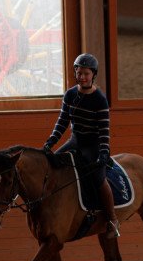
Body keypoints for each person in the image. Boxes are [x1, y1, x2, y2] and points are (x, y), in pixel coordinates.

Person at [43, 53, 120, 238]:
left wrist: (103, 152)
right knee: (52, 163)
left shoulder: (99, 99)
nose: (82, 77)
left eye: (86, 73)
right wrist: (50, 143)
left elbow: (103, 131)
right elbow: (62, 122)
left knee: (97, 177)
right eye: (79, 73)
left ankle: (112, 220)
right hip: (75, 140)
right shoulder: (70, 95)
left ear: (93, 75)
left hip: (93, 144)